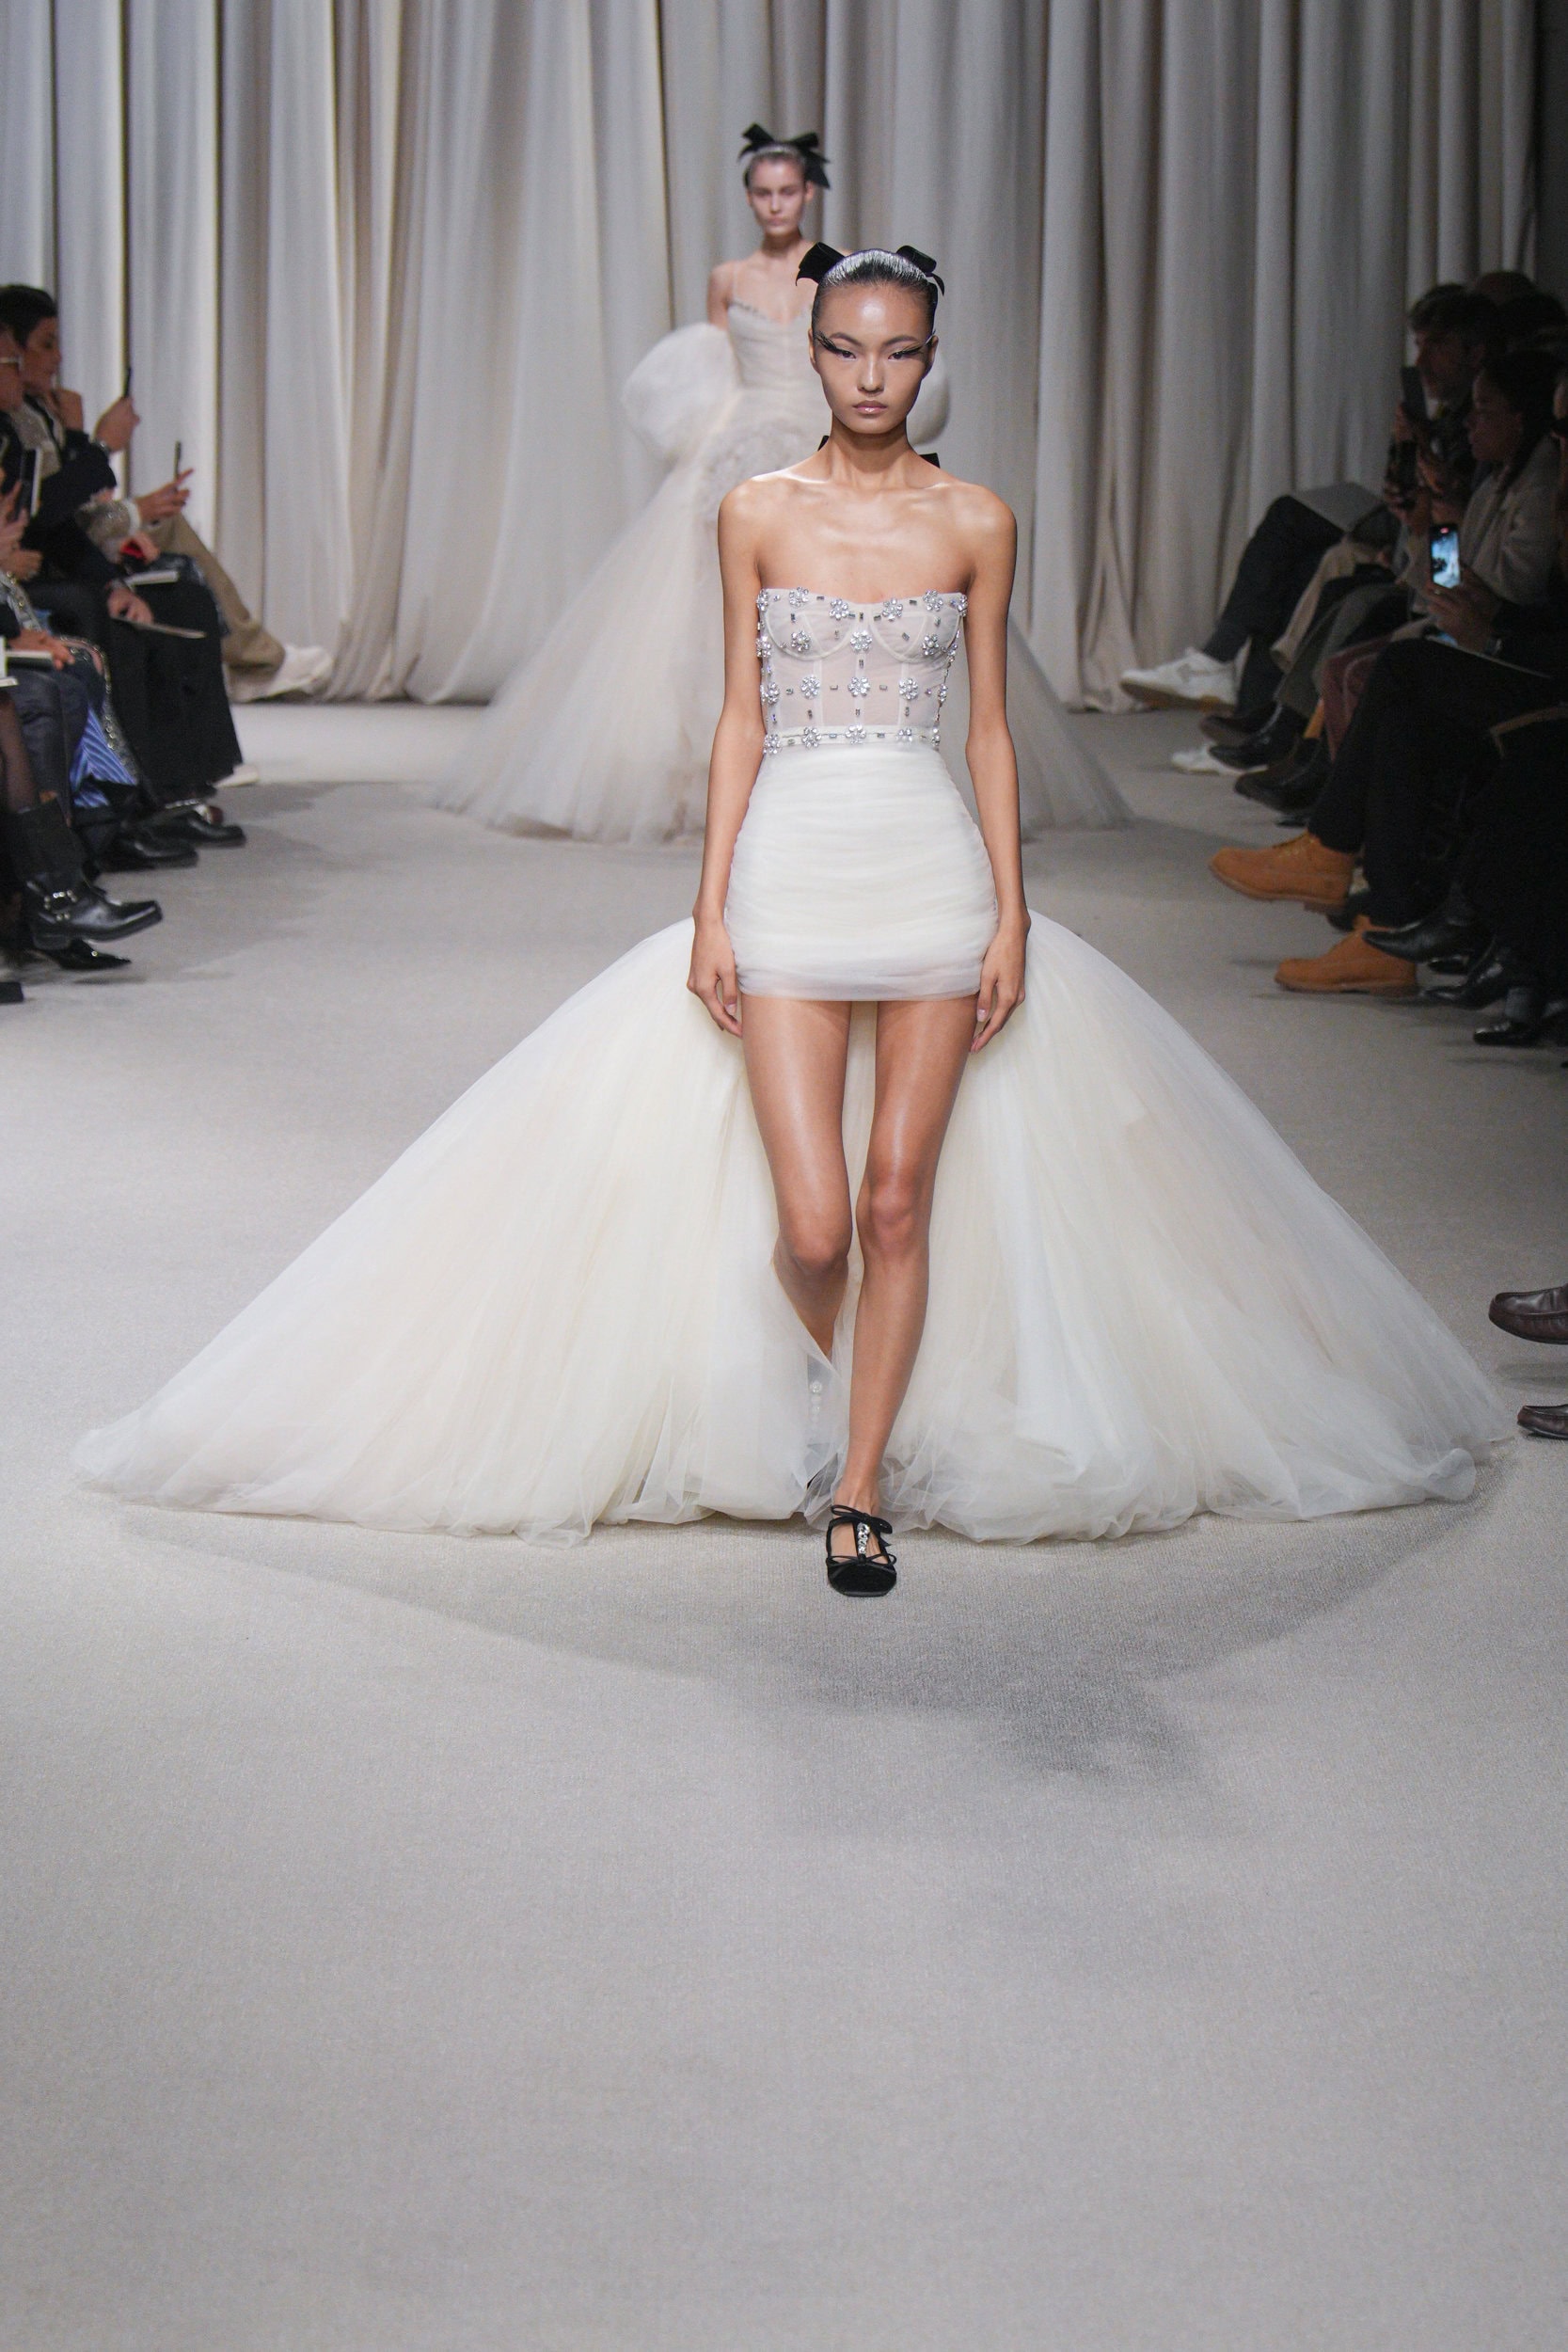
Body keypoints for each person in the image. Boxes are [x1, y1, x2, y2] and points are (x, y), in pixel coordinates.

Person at [77, 245, 1507, 1590]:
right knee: (814, 1227)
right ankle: (808, 1406)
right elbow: (740, 720)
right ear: (812, 354)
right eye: (846, 349)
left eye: (898, 352)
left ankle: (857, 1481)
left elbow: (989, 732)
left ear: (929, 359)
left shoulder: (975, 519)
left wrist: (1012, 914)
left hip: (929, 870)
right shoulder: (753, 511)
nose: (871, 376)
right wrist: (706, 908)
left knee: (895, 1202)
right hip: (789, 871)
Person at [436, 131, 1122, 842]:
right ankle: (710, 770)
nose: (774, 204)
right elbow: (710, 370)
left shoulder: (840, 271)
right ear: (748, 198)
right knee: (709, 605)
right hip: (739, 444)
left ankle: (841, 754)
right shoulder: (726, 278)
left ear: (808, 194)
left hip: (821, 434)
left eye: (786, 191)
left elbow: (867, 350)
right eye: (762, 193)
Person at [0, 284, 331, 701]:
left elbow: (70, 504)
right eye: (45, 345)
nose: (57, 359)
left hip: (66, 548)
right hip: (44, 563)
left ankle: (248, 662)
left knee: (175, 563)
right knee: (160, 554)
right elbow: (49, 512)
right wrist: (103, 456)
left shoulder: (40, 410)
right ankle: (254, 659)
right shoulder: (18, 420)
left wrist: (83, 442)